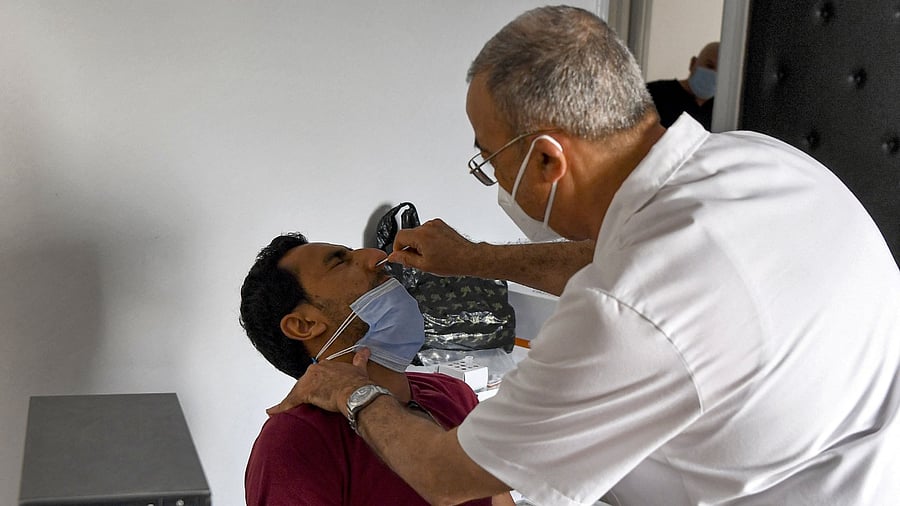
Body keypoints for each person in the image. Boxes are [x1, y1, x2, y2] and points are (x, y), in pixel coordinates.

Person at [268, 6, 900, 506]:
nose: (372, 263)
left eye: (489, 159)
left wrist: (351, 394)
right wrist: (476, 259)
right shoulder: (760, 161)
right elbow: (623, 260)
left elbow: (448, 475)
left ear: (546, 159)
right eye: (338, 263)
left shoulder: (629, 312)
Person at [239, 233, 513, 505]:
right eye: (339, 261)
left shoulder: (453, 393)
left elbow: (497, 497)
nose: (376, 256)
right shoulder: (295, 442)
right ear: (304, 325)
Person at [646, 41, 719, 129]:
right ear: (693, 63)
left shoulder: (722, 111)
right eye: (709, 66)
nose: (714, 73)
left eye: (721, 71)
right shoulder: (653, 94)